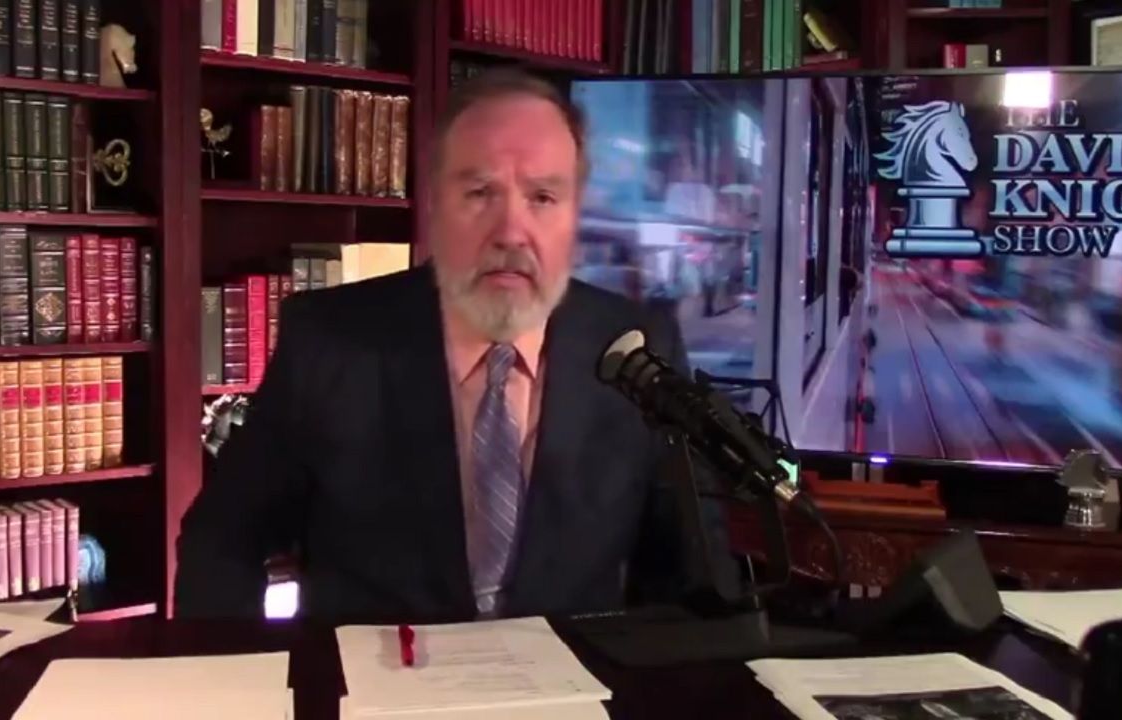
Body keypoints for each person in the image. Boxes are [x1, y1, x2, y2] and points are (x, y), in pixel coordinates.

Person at [174, 68, 738, 623]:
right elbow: (222, 540)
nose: (511, 232)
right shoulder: (329, 341)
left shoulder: (636, 349)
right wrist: (251, 672)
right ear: (435, 204)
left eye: (543, 197)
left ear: (574, 217)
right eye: (480, 192)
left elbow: (692, 572)